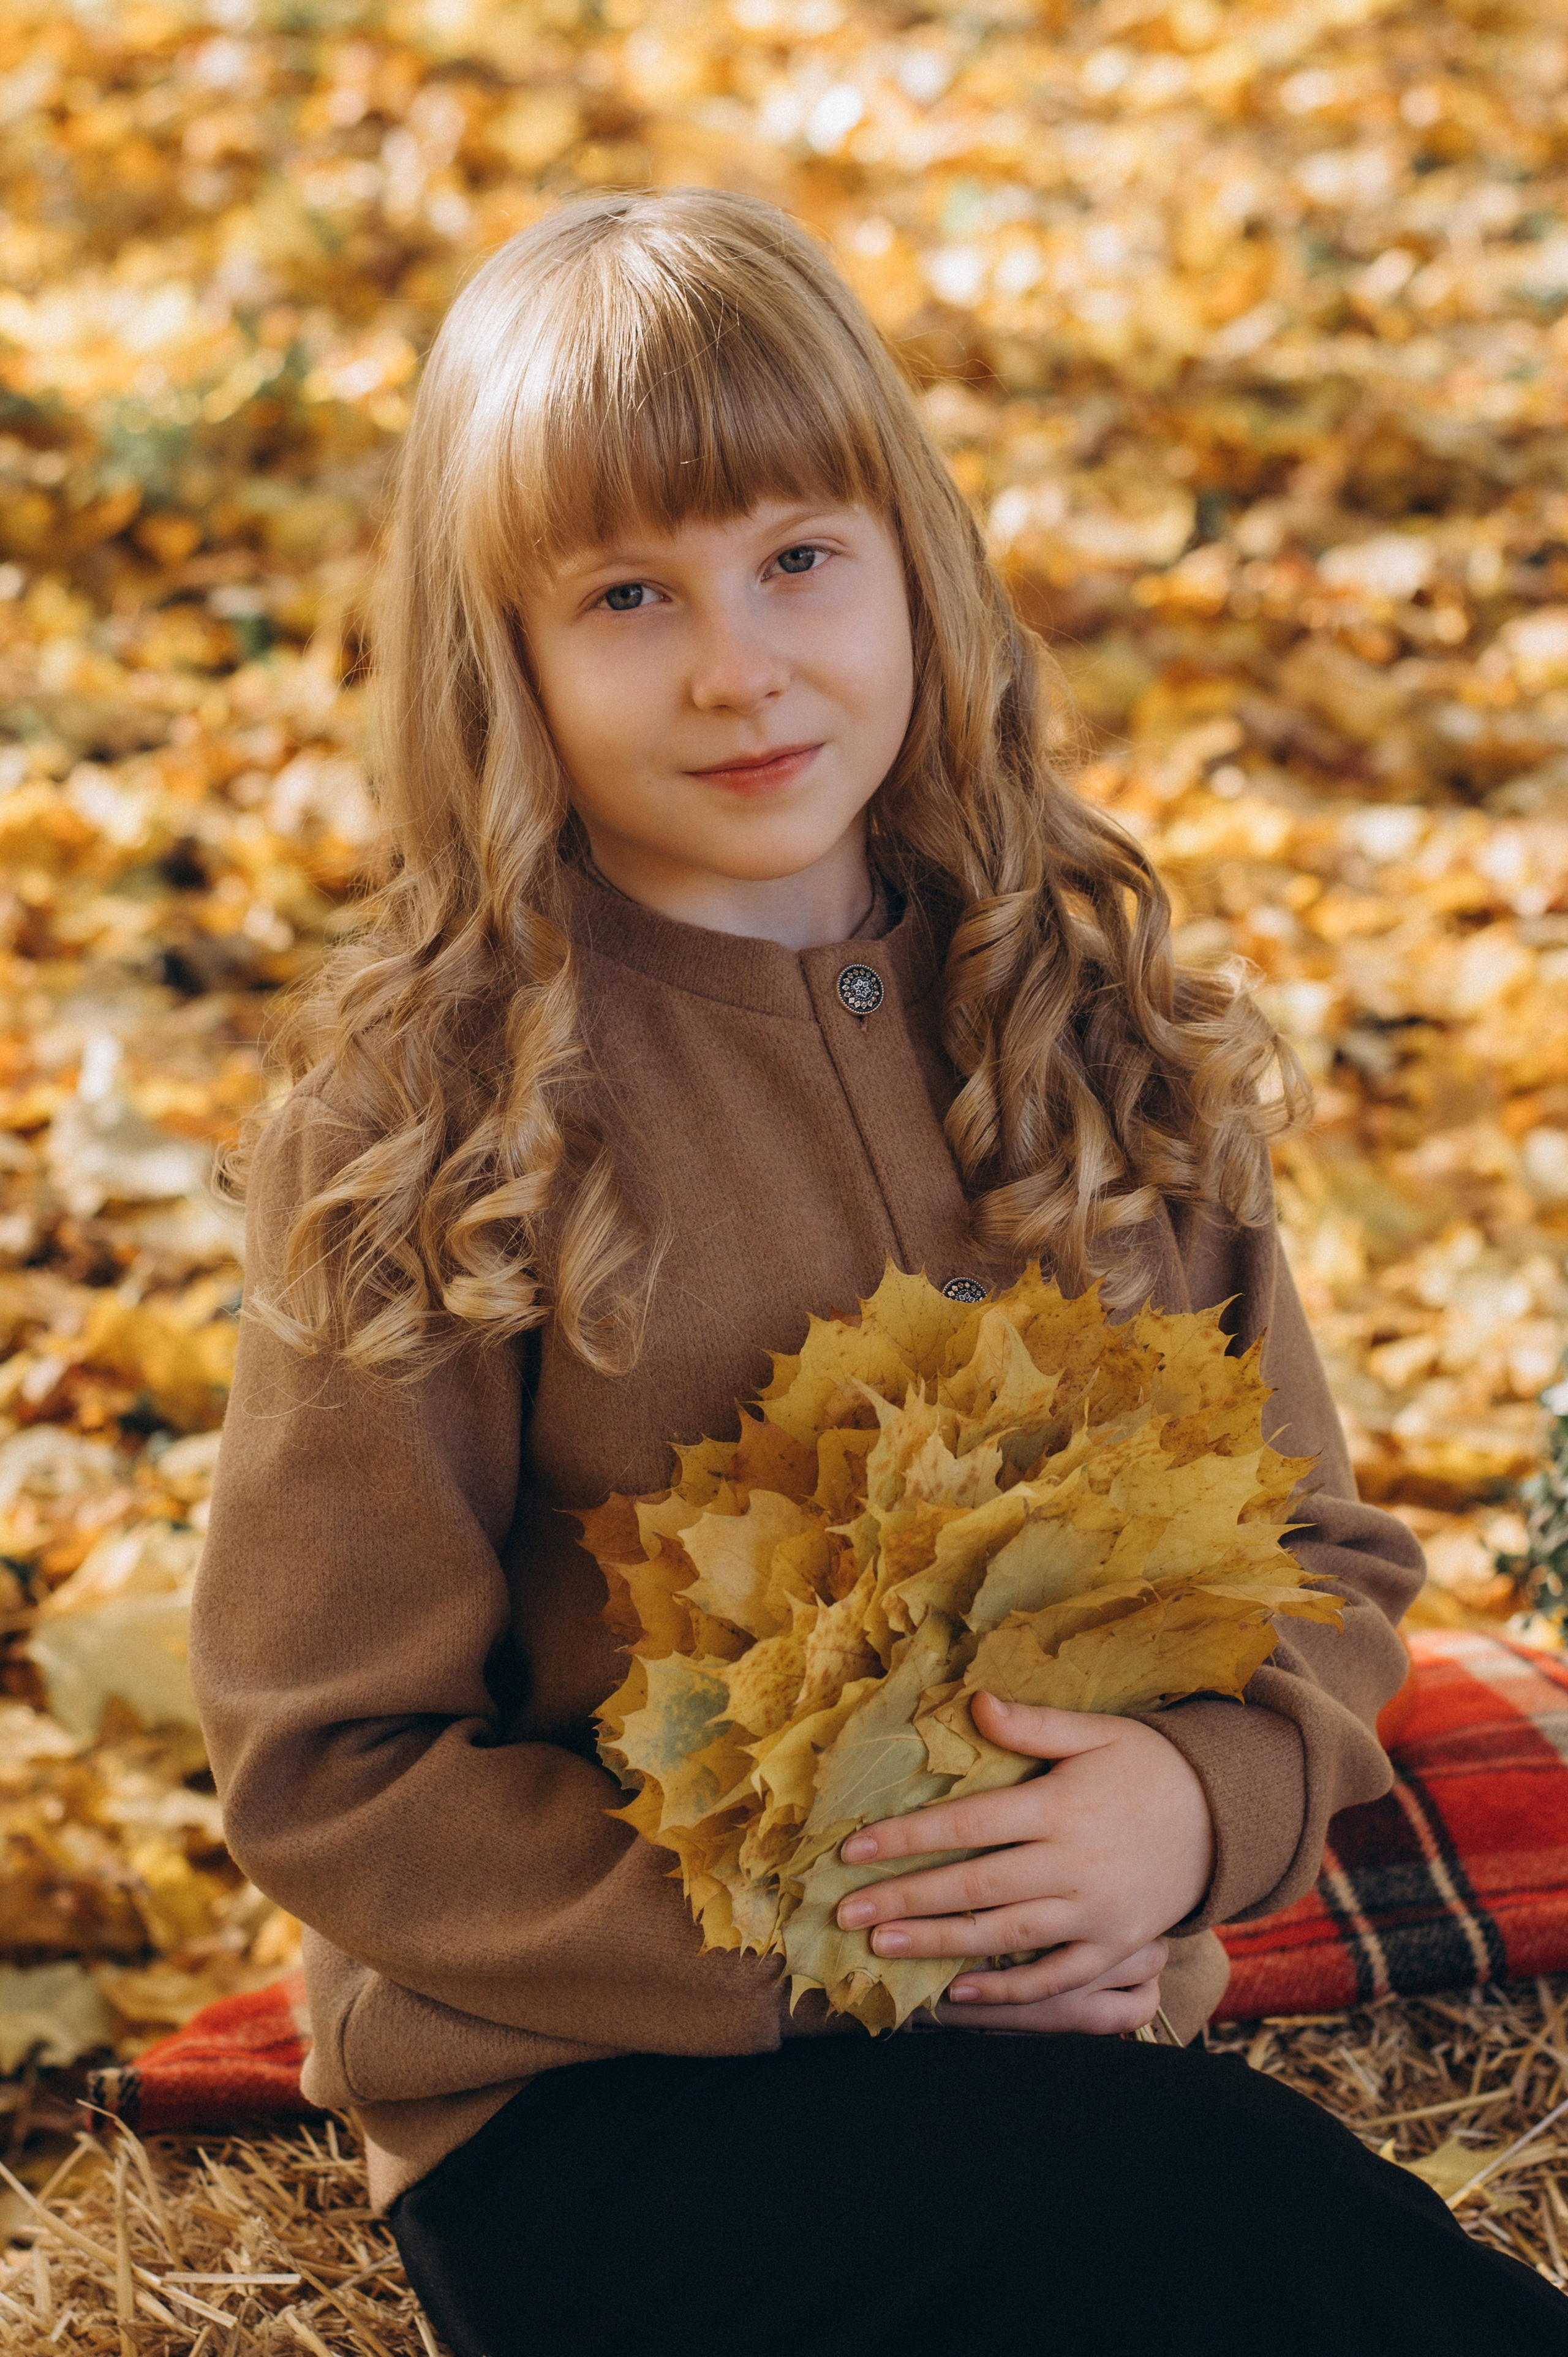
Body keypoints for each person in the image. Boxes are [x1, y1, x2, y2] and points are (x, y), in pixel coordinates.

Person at [189, 188, 1568, 2355]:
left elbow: (1320, 1561)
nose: (739, 665)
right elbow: (329, 1759)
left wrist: (1188, 1815)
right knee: (1215, 2217)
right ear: (501, 660)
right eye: (629, 596)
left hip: (1078, 2053)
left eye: (799, 559)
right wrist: (845, 1941)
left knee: (1200, 2220)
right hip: (606, 2105)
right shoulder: (433, 1127)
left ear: (917, 562)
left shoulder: (1092, 1024)